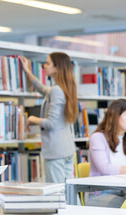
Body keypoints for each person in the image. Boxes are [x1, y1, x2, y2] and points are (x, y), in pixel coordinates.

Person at [19, 52, 79, 183]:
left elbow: (51, 123)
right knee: (67, 192)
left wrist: (31, 119)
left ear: (56, 68)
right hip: (66, 149)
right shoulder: (65, 88)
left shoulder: (57, 90)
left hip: (56, 151)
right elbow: (42, 89)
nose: (43, 66)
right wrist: (27, 70)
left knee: (57, 193)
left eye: (47, 63)